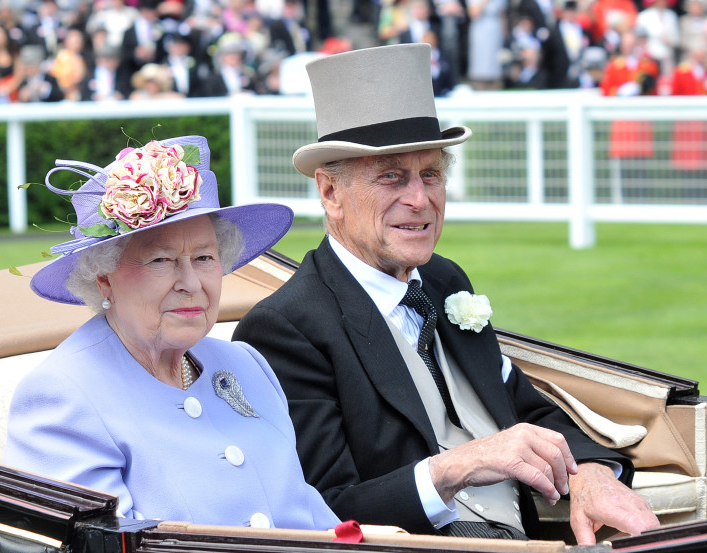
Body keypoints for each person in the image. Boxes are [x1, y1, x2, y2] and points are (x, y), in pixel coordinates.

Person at [232, 44, 660, 544]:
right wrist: (457, 467)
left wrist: (591, 474)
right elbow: (324, 508)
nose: (420, 199)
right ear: (330, 194)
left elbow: (527, 408)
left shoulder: (444, 281)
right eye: (391, 176)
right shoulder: (287, 326)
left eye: (430, 174)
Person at [4, 135, 341, 531]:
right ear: (104, 279)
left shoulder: (246, 364)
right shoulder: (62, 395)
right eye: (161, 260)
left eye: (204, 257)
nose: (191, 282)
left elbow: (307, 514)